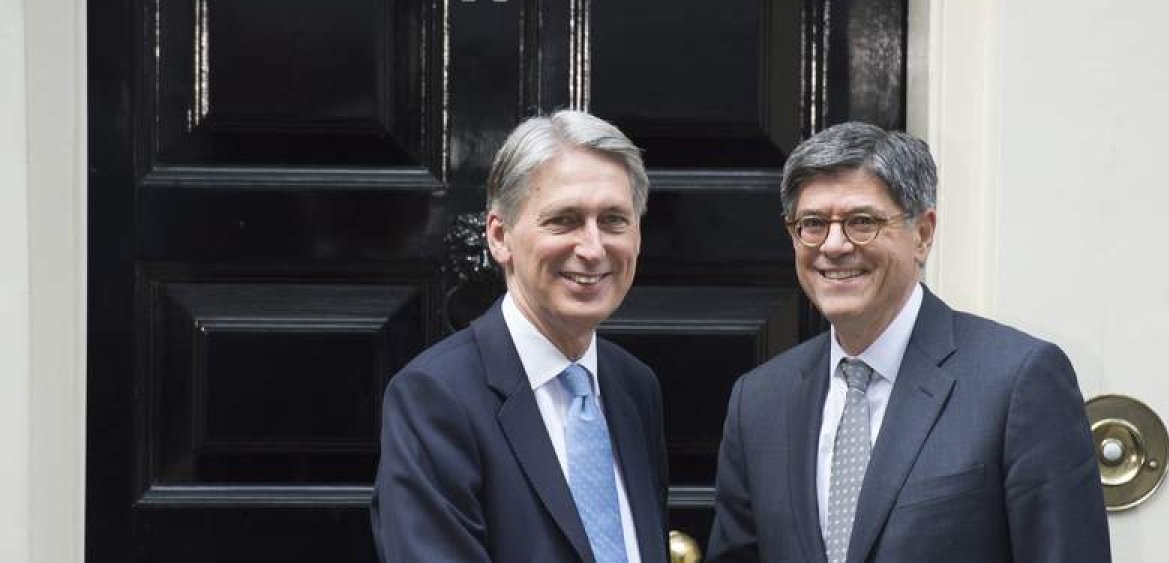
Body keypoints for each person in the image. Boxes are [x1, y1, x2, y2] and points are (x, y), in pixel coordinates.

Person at [707, 122, 1110, 563]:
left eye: (862, 222)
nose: (835, 245)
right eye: (813, 224)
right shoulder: (760, 401)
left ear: (922, 234)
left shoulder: (1018, 382)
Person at [372, 109, 669, 562]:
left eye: (613, 220)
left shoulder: (634, 387)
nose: (592, 248)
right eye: (564, 221)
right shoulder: (435, 398)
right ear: (499, 237)